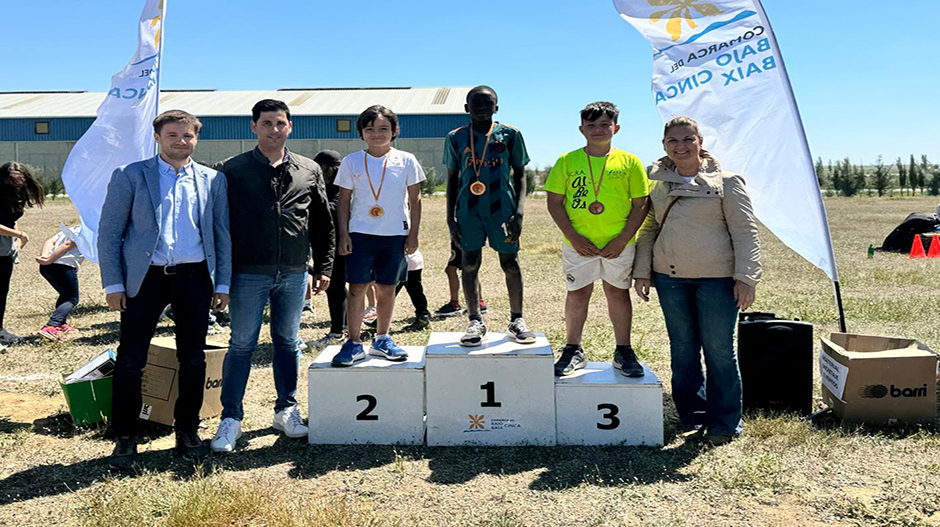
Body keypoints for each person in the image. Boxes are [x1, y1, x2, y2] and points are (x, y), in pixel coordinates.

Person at [98, 110, 232, 467]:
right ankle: (125, 437)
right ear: (157, 137)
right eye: (173, 135)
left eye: (188, 135)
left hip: (194, 277)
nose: (181, 141)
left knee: (193, 357)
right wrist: (114, 283)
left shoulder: (211, 180)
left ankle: (187, 430)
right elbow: (110, 233)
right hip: (146, 278)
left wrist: (222, 283)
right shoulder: (131, 175)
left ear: (196, 139)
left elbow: (221, 235)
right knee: (131, 360)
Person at [211, 99, 334, 453]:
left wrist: (322, 267)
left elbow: (323, 224)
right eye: (267, 123)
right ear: (254, 127)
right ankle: (230, 418)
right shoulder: (231, 170)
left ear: (290, 126)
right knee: (241, 345)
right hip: (248, 274)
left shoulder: (309, 170)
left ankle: (286, 409)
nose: (274, 129)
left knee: (288, 343)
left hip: (294, 274)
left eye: (280, 123)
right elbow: (219, 226)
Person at [633, 116, 761, 446]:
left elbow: (746, 233)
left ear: (700, 141)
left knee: (719, 351)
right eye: (673, 140)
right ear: (664, 145)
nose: (681, 146)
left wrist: (746, 277)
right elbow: (649, 229)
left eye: (688, 139)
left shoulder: (728, 182)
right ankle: (692, 415)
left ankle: (724, 422)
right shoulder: (657, 184)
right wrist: (643, 271)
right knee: (684, 350)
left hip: (717, 280)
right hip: (670, 278)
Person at [545, 102, 650, 377]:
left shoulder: (629, 162)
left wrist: (623, 239)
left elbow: (640, 204)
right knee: (577, 293)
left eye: (605, 124)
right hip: (579, 245)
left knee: (617, 293)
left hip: (618, 244)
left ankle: (623, 350)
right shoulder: (567, 161)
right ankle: (572, 348)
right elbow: (555, 202)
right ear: (582, 129)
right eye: (591, 125)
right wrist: (573, 237)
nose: (598, 130)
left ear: (616, 127)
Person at [331, 105, 424, 367]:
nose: (376, 134)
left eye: (383, 128)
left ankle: (382, 338)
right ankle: (354, 341)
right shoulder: (351, 162)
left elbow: (415, 199)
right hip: (360, 234)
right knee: (357, 288)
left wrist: (413, 235)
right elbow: (344, 201)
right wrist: (344, 235)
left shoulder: (406, 160)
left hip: (395, 234)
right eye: (369, 129)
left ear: (395, 131)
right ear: (361, 133)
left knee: (386, 288)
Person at [444, 85, 535, 346]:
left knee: (510, 263)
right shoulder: (455, 137)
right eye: (476, 103)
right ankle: (474, 320)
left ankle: (517, 319)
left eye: (488, 103)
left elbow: (520, 175)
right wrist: (450, 219)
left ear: (497, 107)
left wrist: (519, 212)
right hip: (468, 212)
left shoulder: (510, 134)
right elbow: (452, 179)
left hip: (502, 212)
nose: (482, 107)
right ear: (466, 108)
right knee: (469, 264)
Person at [0, 162, 44, 349]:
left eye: (21, 179)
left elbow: (11, 220)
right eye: (14, 180)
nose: (18, 183)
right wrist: (19, 235)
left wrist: (17, 240)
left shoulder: (14, 196)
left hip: (4, 250)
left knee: (2, 291)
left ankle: (0, 330)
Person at [309, 150, 347, 351]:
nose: (319, 172)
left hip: (340, 244)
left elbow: (332, 209)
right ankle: (344, 327)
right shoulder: (322, 186)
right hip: (324, 244)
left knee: (336, 287)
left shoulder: (341, 187)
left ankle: (337, 332)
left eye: (322, 169)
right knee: (338, 288)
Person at [36, 225, 84, 340]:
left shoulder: (74, 228)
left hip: (47, 267)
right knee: (71, 298)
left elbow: (50, 241)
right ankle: (52, 325)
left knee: (65, 294)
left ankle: (61, 324)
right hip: (63, 266)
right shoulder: (86, 231)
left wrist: (45, 256)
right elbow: (67, 245)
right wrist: (50, 259)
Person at [433, 241, 487, 317]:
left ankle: (455, 304)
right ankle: (479, 303)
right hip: (461, 240)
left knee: (453, 270)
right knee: (469, 271)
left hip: (462, 239)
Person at [396, 249, 431, 331]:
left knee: (388, 294)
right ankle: (423, 317)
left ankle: (380, 322)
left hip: (405, 261)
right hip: (412, 260)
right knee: (416, 291)